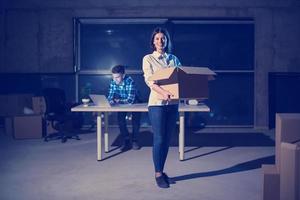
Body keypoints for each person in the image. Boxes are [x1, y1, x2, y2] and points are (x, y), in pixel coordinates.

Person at [142, 27, 181, 188]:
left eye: (163, 38)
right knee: (158, 138)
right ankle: (158, 174)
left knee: (166, 140)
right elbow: (150, 81)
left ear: (167, 41)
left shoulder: (174, 59)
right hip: (157, 104)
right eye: (157, 38)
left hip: (173, 104)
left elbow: (180, 78)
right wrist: (164, 92)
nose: (160, 41)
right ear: (153, 41)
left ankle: (162, 170)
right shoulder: (148, 59)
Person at [107, 65, 141, 151]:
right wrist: (110, 101)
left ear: (123, 75)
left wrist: (117, 101)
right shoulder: (113, 81)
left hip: (135, 102)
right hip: (121, 102)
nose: (115, 79)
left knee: (135, 121)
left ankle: (135, 140)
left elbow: (130, 101)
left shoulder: (130, 81)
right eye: (113, 77)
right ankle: (126, 139)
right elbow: (110, 96)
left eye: (117, 77)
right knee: (120, 120)